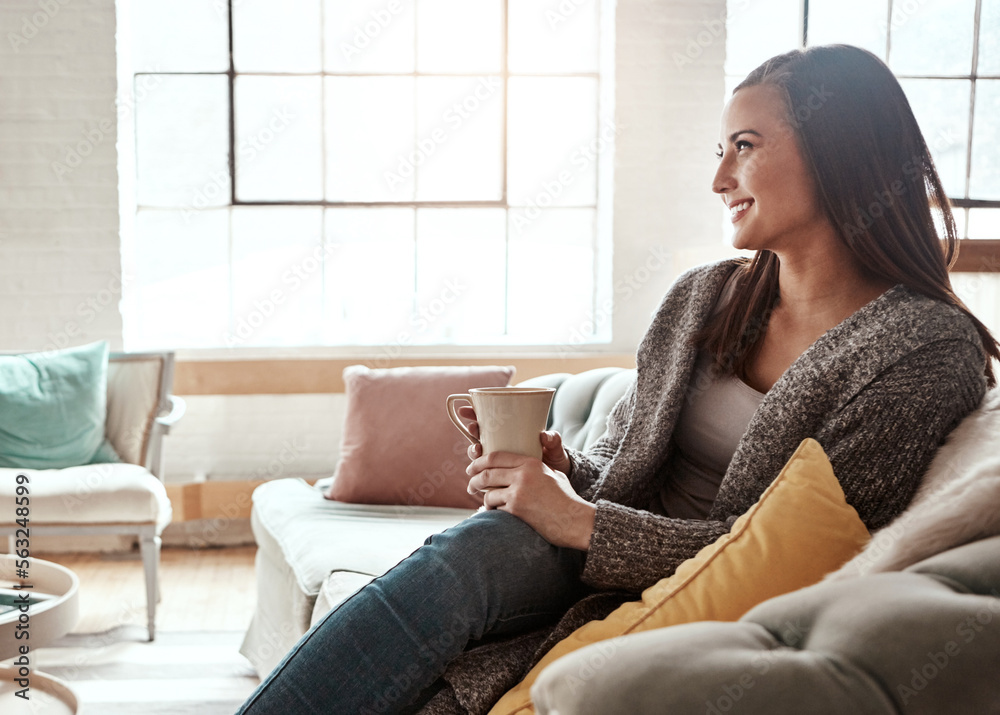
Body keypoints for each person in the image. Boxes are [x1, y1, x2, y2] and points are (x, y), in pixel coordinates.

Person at [236, 44, 998, 715]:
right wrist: (560, 470)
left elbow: (807, 561)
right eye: (718, 148)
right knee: (467, 555)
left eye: (744, 145)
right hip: (582, 560)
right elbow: (619, 468)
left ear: (841, 149)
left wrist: (578, 523)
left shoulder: (922, 351)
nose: (719, 177)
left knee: (444, 661)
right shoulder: (706, 296)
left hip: (680, 595)